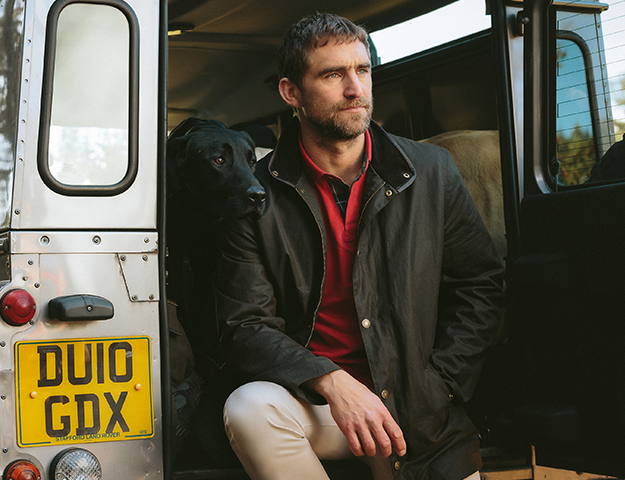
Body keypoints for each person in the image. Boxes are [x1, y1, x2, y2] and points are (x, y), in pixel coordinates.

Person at [214, 13, 504, 480]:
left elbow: (479, 286)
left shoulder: (432, 171)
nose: (356, 89)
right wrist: (331, 381)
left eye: (362, 70)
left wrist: (440, 386)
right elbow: (244, 325)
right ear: (292, 93)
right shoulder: (256, 195)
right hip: (319, 406)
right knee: (249, 407)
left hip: (419, 414)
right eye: (333, 74)